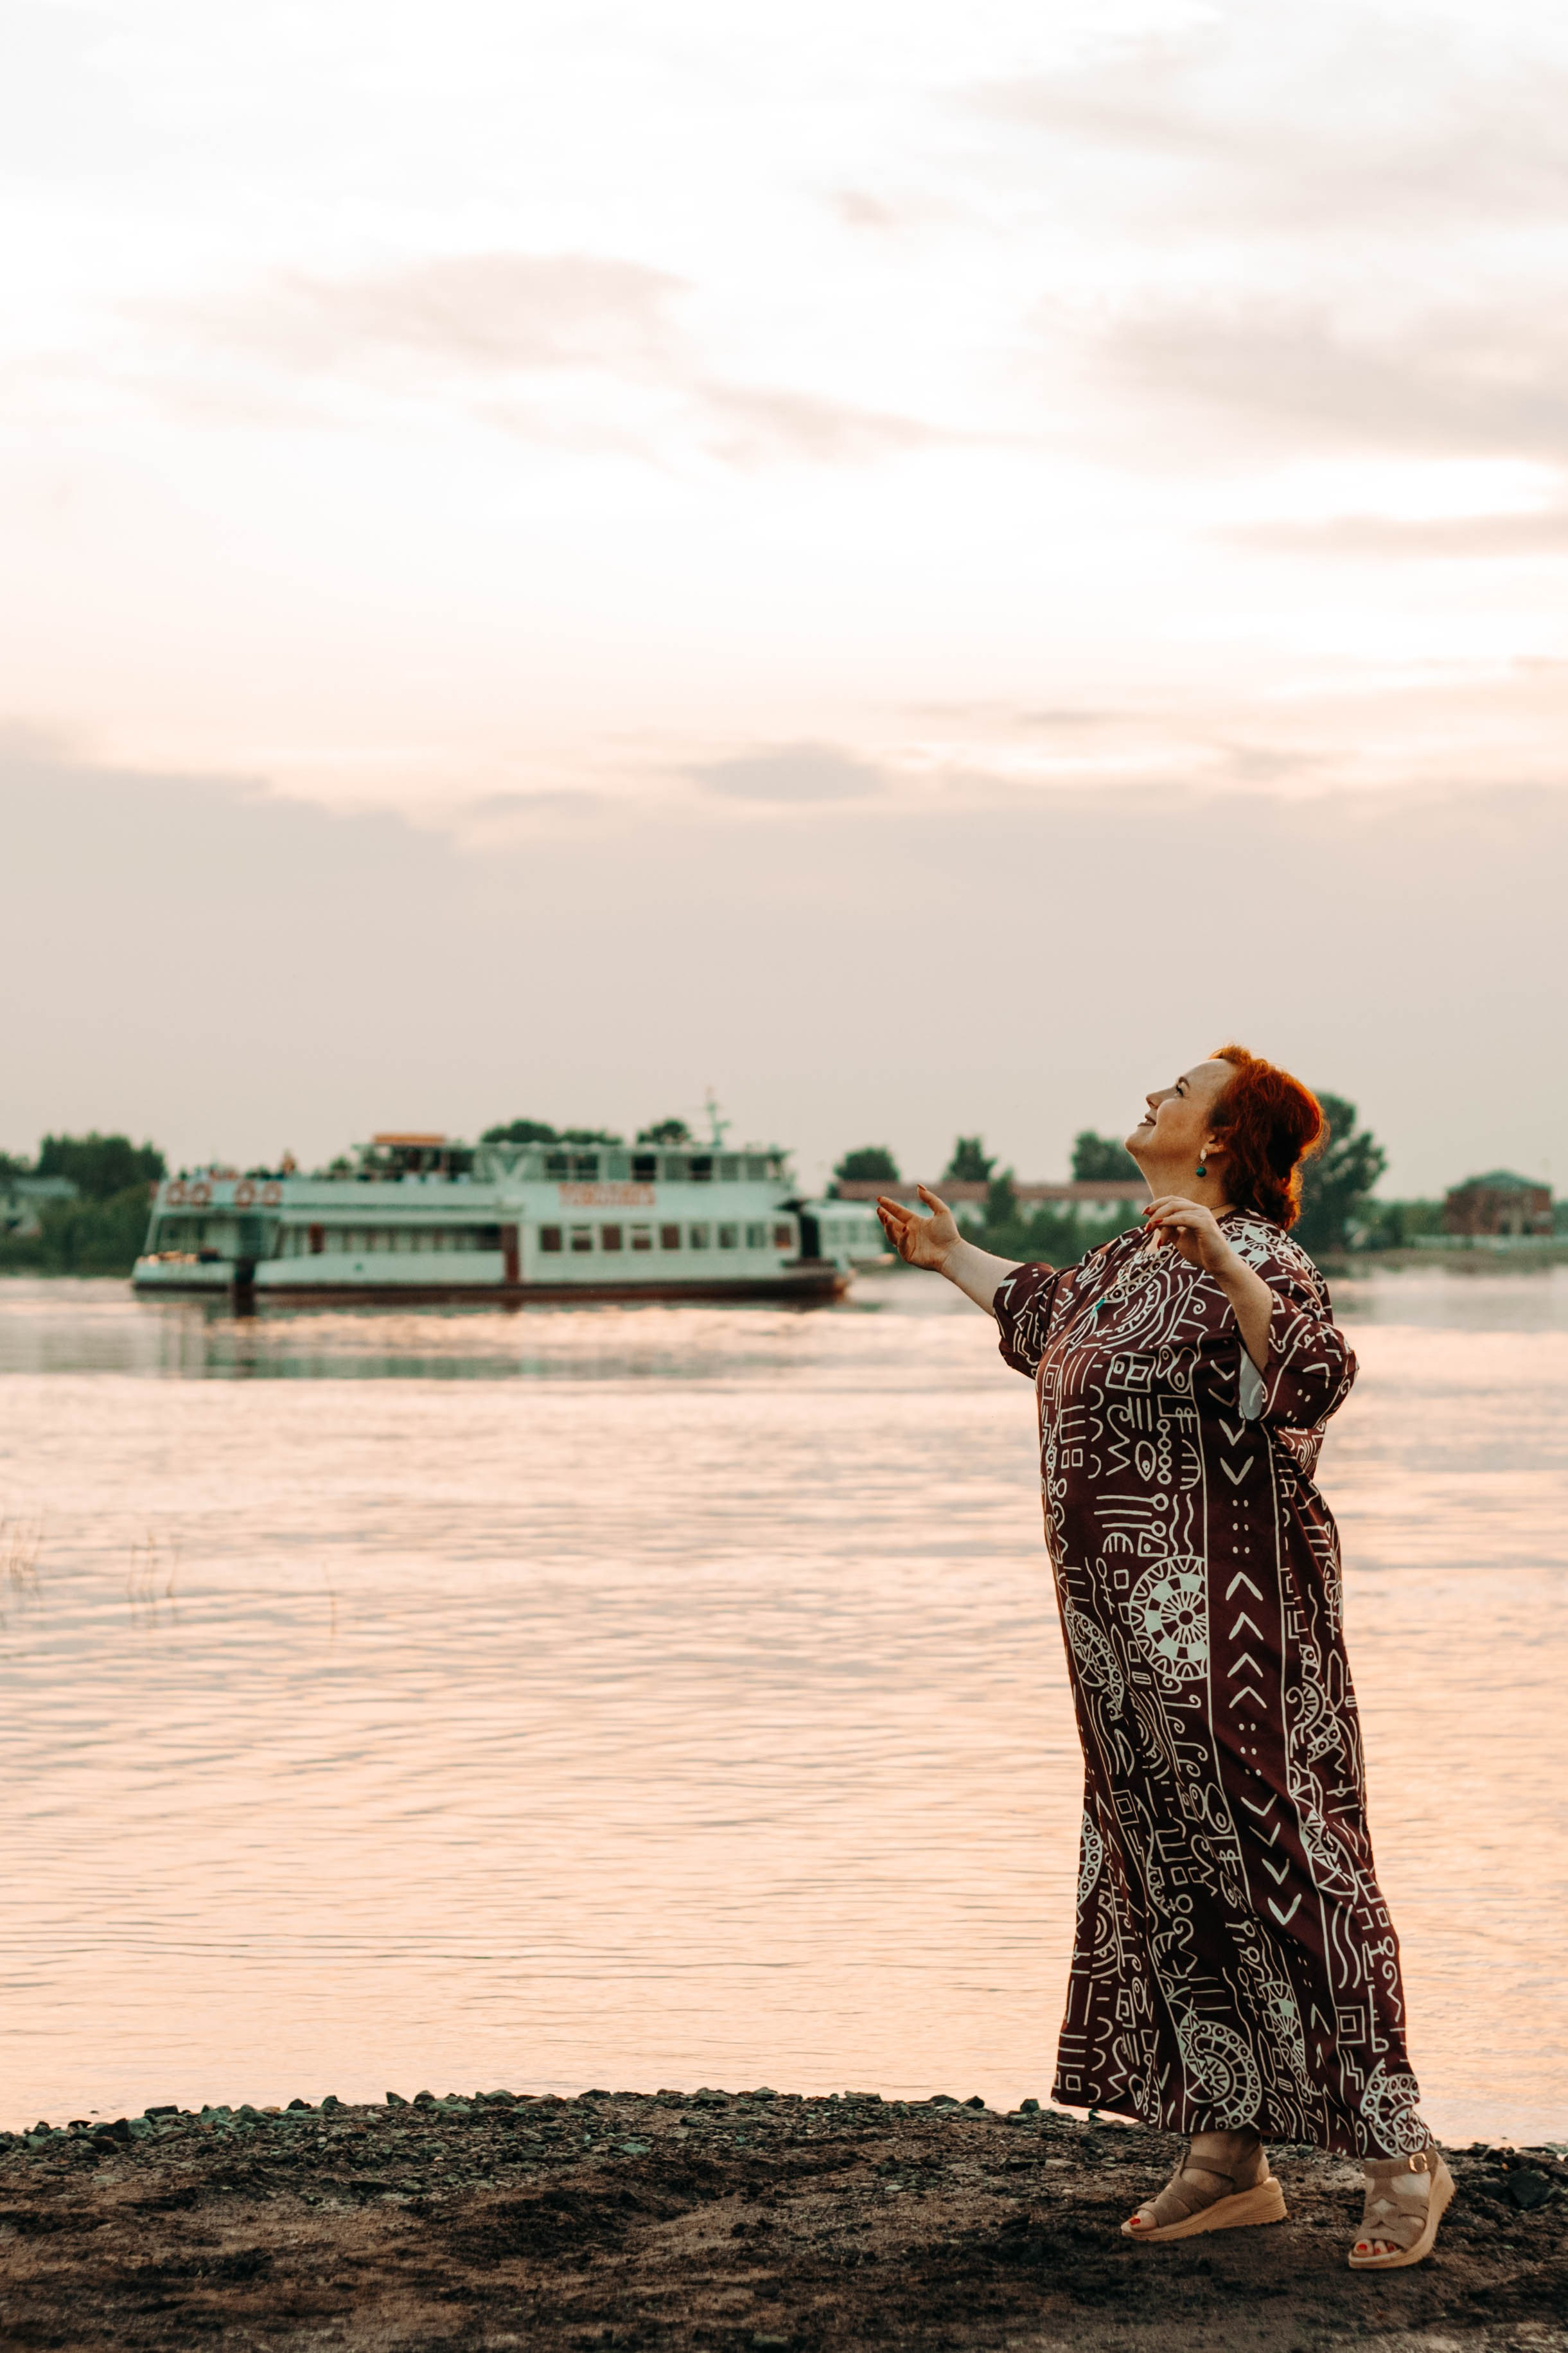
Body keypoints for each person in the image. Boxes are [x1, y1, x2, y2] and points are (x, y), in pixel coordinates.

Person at [877, 1046, 1453, 2272]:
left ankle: (1401, 2155)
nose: (1152, 1096)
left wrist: (1226, 1266)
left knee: (1290, 1865)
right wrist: (951, 1256)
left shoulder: (1260, 1256)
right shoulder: (1123, 1261)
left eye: (1180, 1090)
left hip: (1231, 1636)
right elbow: (1042, 1315)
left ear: (1221, 1138)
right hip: (1117, 1648)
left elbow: (1314, 1374)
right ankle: (1228, 2155)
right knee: (1167, 1868)